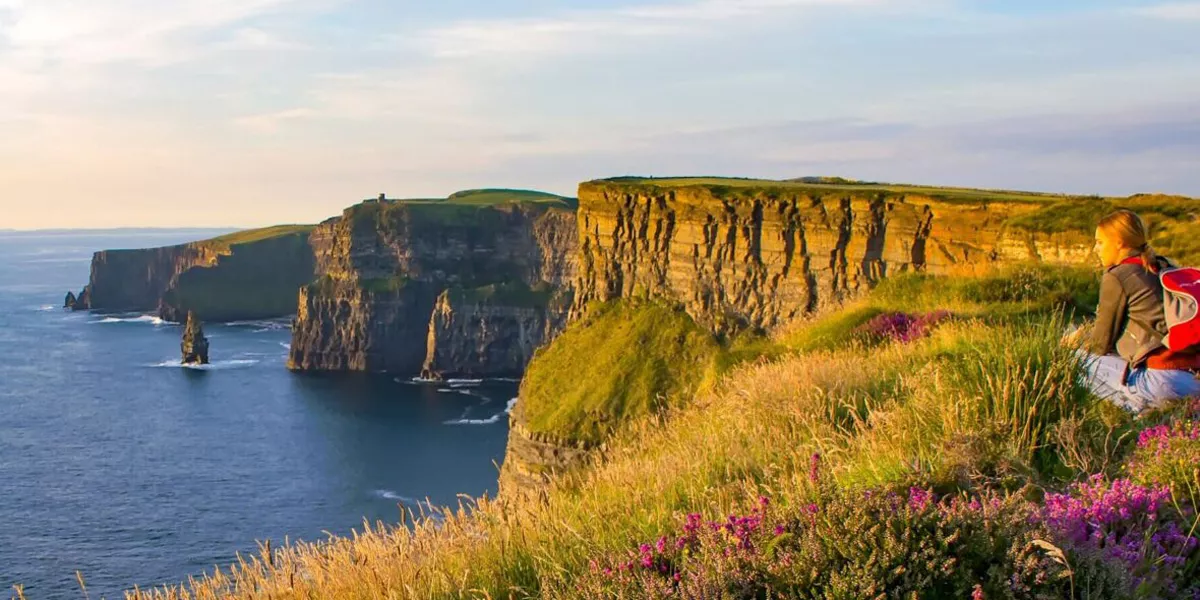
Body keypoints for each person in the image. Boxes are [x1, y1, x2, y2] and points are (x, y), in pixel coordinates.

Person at [1076, 209, 1200, 413]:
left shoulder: (1118, 275)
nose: (1095, 248)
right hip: (1192, 380)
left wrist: (1076, 339)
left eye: (1100, 242)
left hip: (1160, 382)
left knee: (1071, 360)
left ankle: (1132, 410)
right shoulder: (1162, 266)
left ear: (1119, 242)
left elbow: (1100, 345)